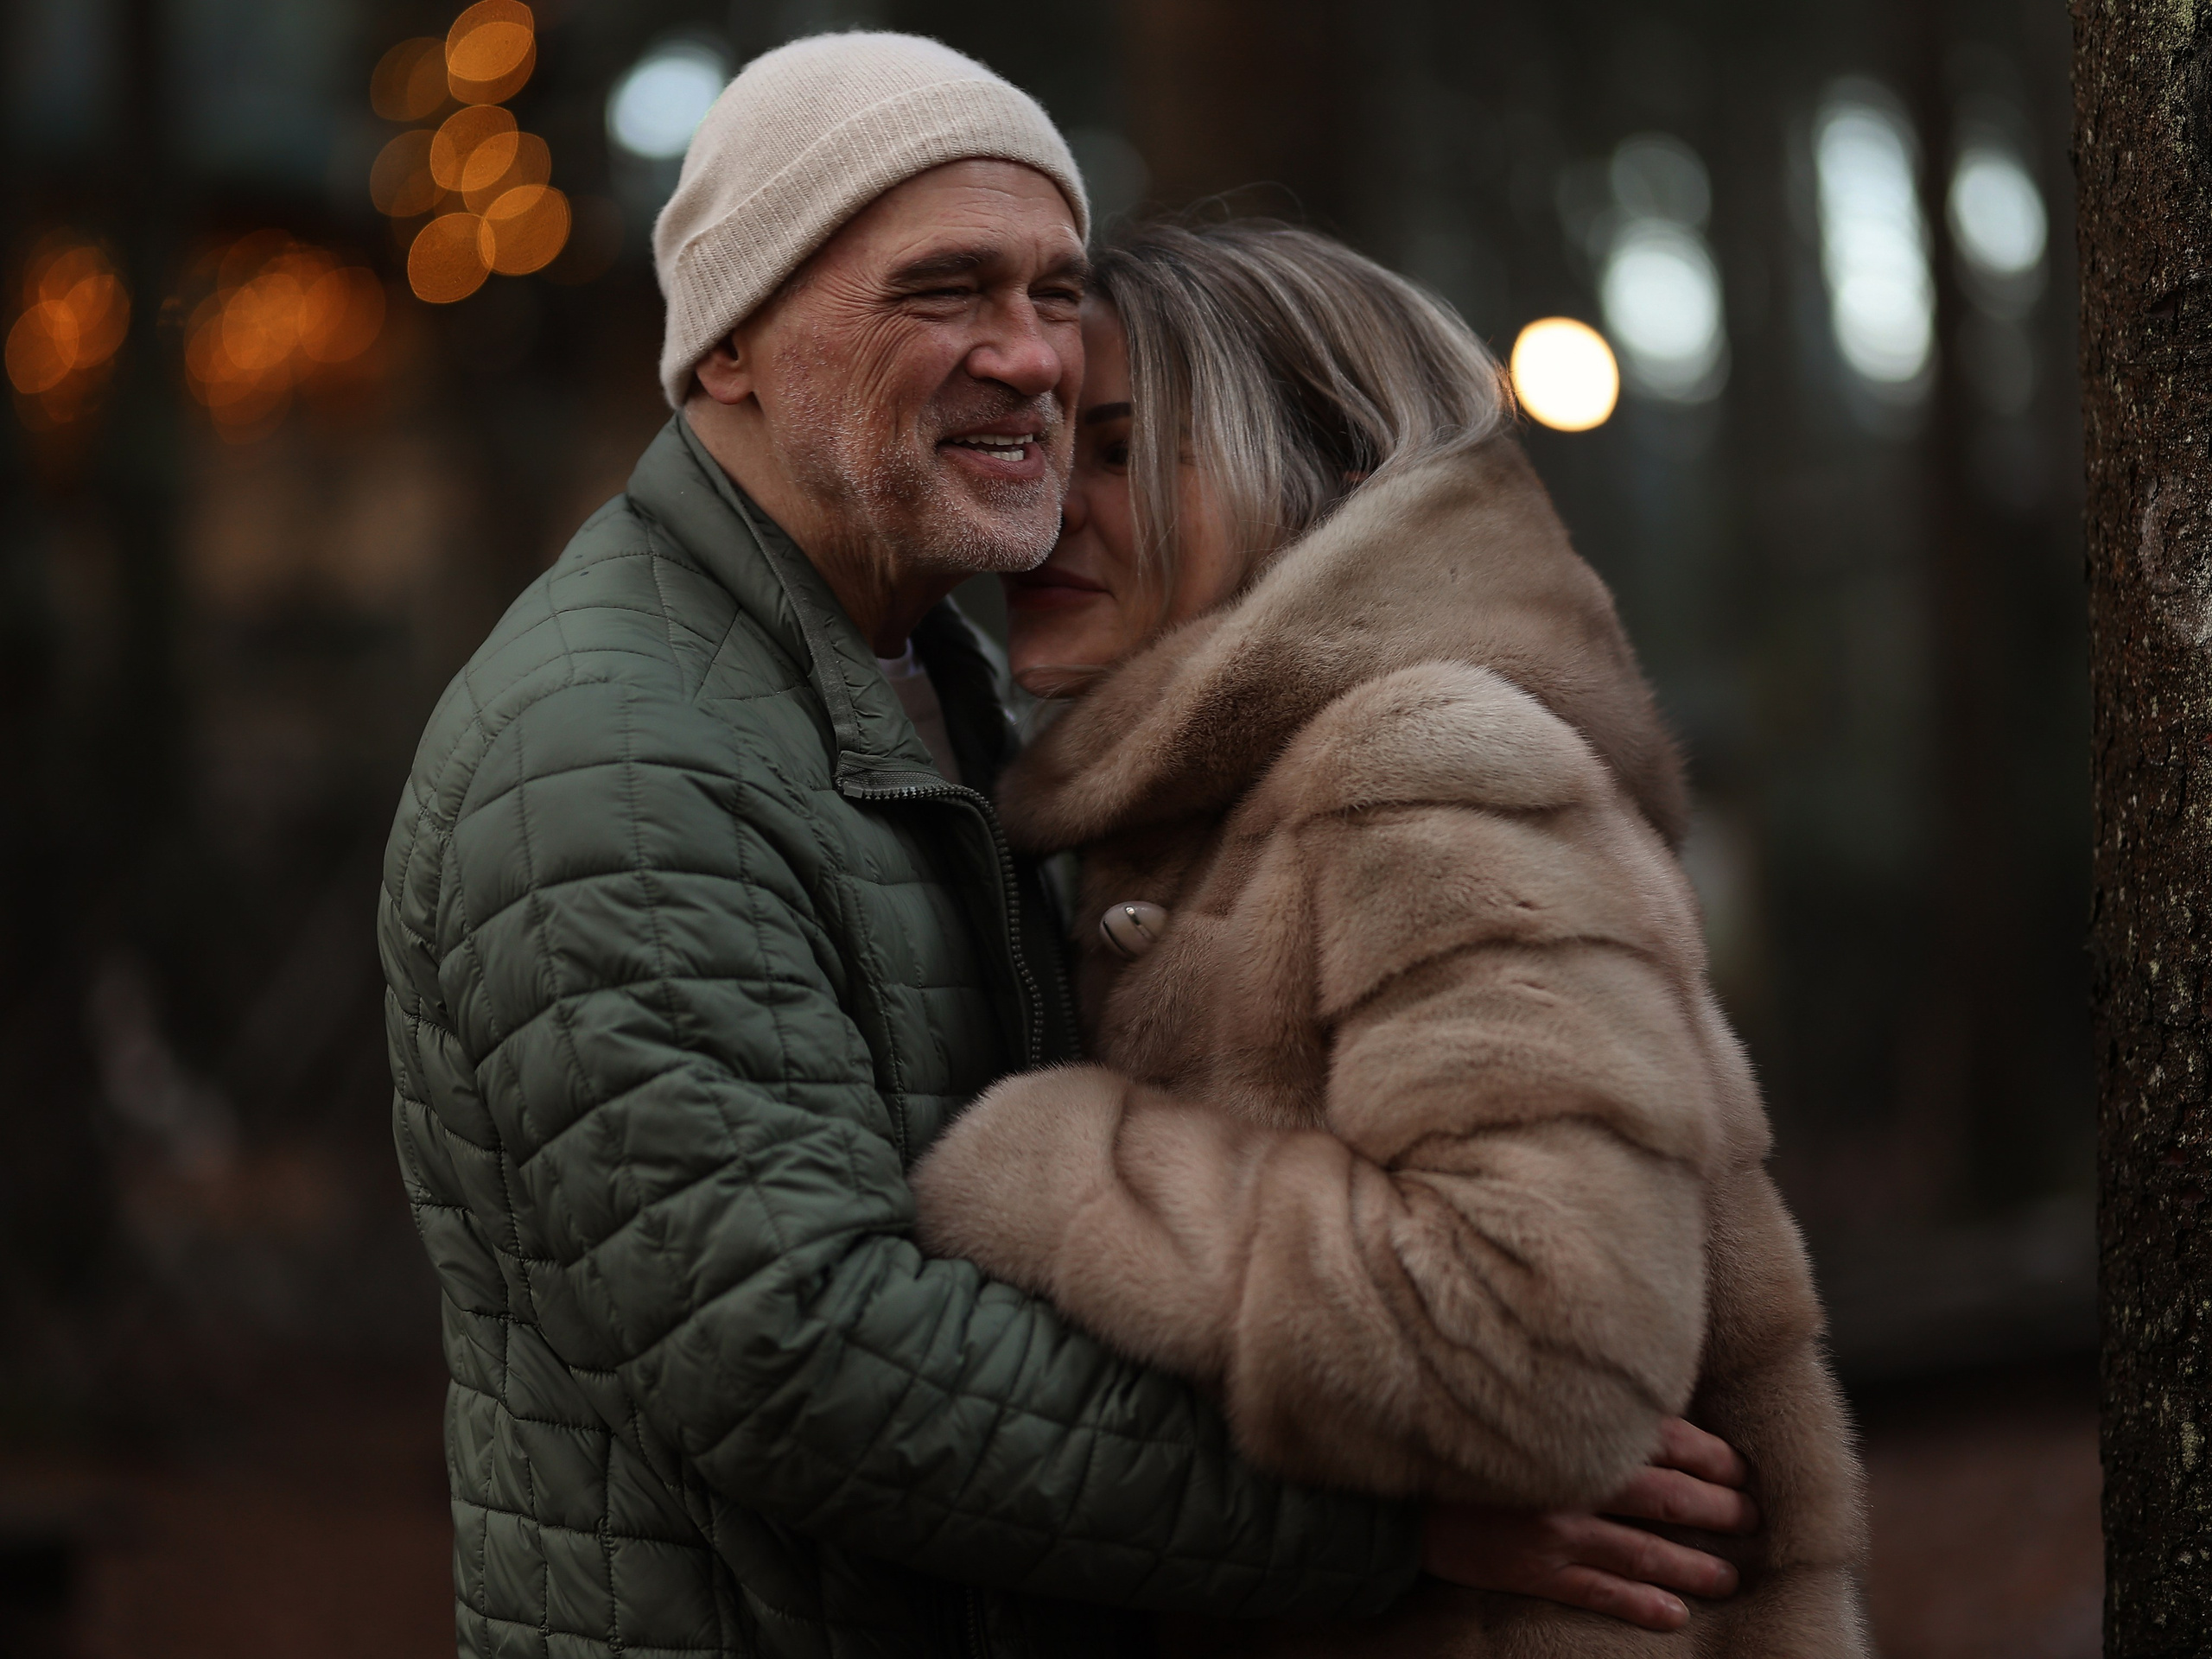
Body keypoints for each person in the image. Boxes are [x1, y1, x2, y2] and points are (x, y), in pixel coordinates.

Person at [910, 220, 1872, 1656]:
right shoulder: (1222, 802)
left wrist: (1049, 1171)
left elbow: (1548, 1336)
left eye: (1116, 450)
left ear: (1326, 477)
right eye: (1043, 453)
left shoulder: (1414, 764)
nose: (1046, 512)